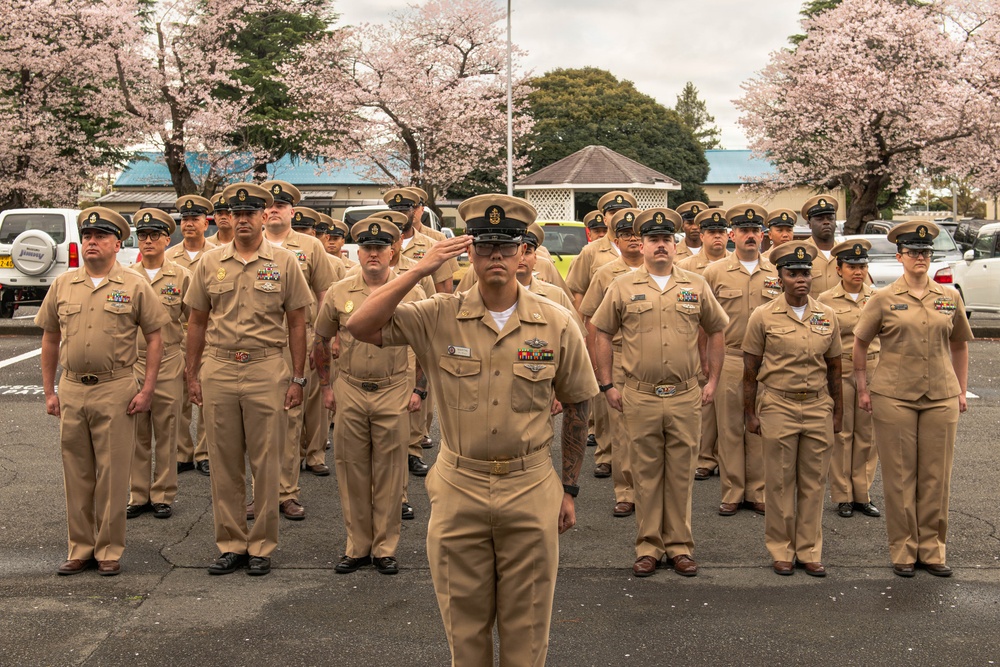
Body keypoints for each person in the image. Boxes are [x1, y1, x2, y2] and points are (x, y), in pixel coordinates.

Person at [345, 193, 596, 667]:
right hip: (460, 486)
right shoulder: (438, 314)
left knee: (527, 633)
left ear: (524, 252)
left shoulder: (556, 321)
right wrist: (419, 270)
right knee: (465, 632)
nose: (495, 256)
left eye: (506, 246)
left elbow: (579, 404)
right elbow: (360, 324)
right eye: (484, 246)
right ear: (469, 252)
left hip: (530, 485)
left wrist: (569, 488)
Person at [184, 182, 313, 577]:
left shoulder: (285, 262)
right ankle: (231, 544)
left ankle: (261, 546)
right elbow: (197, 322)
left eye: (250, 213)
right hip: (220, 368)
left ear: (264, 216)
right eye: (236, 213)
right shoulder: (209, 262)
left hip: (265, 369)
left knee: (266, 462)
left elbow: (297, 323)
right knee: (223, 463)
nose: (242, 219)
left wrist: (298, 378)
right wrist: (192, 374)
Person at [592, 208, 728, 578]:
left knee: (681, 475)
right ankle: (649, 547)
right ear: (643, 244)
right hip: (641, 395)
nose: (661, 245)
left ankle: (680, 547)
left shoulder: (696, 285)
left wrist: (713, 380)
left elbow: (716, 329)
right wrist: (607, 384)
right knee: (646, 475)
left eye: (667, 239)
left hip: (684, 395)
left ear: (675, 242)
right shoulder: (622, 286)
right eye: (653, 239)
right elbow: (601, 331)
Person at [37, 207, 168, 576]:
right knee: (76, 472)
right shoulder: (63, 284)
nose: (91, 242)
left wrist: (148, 388)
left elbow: (155, 337)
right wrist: (49, 391)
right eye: (87, 236)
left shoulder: (134, 285)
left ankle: (109, 549)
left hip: (115, 388)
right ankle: (80, 547)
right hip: (73, 387)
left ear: (117, 243)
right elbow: (49, 338)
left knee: (112, 474)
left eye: (100, 236)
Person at [853, 220, 973, 578]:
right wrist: (862, 386)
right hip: (894, 396)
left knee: (937, 476)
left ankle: (932, 550)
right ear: (900, 256)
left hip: (940, 395)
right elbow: (860, 342)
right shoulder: (883, 298)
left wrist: (961, 389)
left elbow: (959, 344)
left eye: (925, 252)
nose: (920, 257)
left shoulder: (948, 296)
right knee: (901, 476)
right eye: (913, 252)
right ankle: (904, 550)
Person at [312, 218, 427, 575]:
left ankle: (385, 548)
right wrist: (327, 386)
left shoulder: (411, 292)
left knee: (391, 473)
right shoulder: (339, 292)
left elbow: (426, 344)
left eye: (380, 247)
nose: (373, 253)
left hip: (394, 388)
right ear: (358, 253)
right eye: (367, 248)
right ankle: (357, 546)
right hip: (350, 387)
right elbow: (321, 339)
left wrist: (419, 388)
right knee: (352, 470)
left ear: (393, 252)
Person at [743, 243, 843, 577]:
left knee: (814, 482)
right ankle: (782, 549)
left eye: (805, 273)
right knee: (780, 482)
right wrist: (750, 413)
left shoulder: (826, 315)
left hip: (817, 405)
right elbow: (750, 370)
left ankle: (809, 550)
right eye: (793, 273)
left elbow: (835, 368)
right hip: (778, 404)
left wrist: (838, 412)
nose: (801, 279)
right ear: (780, 278)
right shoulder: (763, 315)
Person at [255, 183, 337, 521]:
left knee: (290, 419)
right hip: (257, 344)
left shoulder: (310, 246)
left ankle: (286, 493)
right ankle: (260, 493)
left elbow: (324, 294)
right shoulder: (247, 245)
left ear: (292, 212)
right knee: (258, 422)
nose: (274, 209)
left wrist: (324, 340)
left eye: (281, 205)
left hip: (296, 341)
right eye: (269, 205)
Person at [702, 204, 781, 516]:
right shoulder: (714, 273)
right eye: (744, 230)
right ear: (731, 234)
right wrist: (705, 362)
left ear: (763, 235)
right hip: (730, 358)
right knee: (730, 427)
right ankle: (733, 492)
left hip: (768, 361)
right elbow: (703, 323)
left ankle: (757, 491)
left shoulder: (777, 272)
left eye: (755, 230)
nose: (750, 235)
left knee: (761, 425)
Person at [126, 209, 191, 521]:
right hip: (134, 362)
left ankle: (163, 494)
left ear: (167, 239)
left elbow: (195, 321)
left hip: (168, 361)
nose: (148, 241)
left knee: (166, 430)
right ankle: (138, 495)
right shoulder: (126, 276)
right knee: (137, 431)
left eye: (154, 235)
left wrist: (191, 362)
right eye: (142, 235)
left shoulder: (181, 276)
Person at [579, 208, 644, 515]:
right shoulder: (606, 274)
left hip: (657, 359)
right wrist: (596, 365)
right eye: (626, 234)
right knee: (622, 429)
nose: (633, 239)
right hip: (619, 355)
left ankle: (652, 491)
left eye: (637, 234)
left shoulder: (666, 272)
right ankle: (626, 492)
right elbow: (592, 321)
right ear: (616, 241)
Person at [818, 239, 882, 519]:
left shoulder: (878, 297)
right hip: (841, 369)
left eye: (862, 266)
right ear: (839, 269)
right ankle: (843, 495)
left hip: (873, 368)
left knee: (868, 435)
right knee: (842, 433)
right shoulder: (825, 300)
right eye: (852, 266)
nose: (858, 271)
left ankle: (862, 494)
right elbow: (822, 338)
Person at [677, 208, 732, 480]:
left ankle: (726, 457)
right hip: (697, 344)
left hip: (731, 346)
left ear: (728, 235)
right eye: (711, 232)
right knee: (705, 404)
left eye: (721, 232)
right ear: (702, 235)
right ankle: (704, 457)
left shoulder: (734, 264)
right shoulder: (686, 267)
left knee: (730, 408)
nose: (717, 237)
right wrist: (700, 352)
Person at [170, 194, 217, 477]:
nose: (188, 224)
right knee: (179, 399)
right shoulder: (167, 256)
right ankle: (182, 452)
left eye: (194, 219)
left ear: (205, 223)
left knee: (207, 398)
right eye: (184, 219)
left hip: (209, 337)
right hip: (177, 338)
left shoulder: (217, 255)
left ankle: (205, 452)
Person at [387, 187, 455, 294]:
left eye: (404, 212)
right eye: (396, 212)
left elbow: (444, 288)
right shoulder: (380, 247)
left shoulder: (433, 245)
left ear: (412, 212)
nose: (400, 217)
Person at [800, 196, 841, 297]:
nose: (826, 222)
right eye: (820, 219)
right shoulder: (801, 253)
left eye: (830, 218)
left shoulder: (845, 253)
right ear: (810, 224)